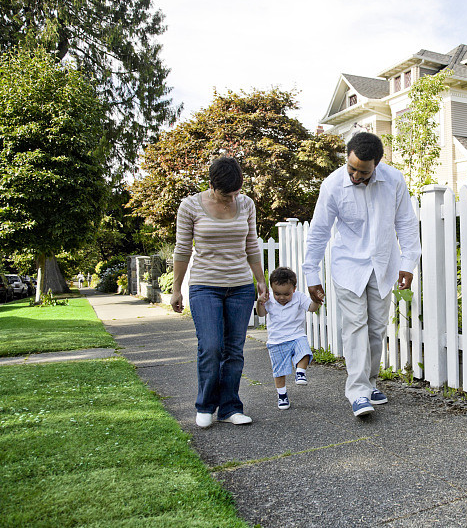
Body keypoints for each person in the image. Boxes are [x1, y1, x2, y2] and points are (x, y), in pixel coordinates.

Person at [302, 132, 421, 417]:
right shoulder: (333, 185)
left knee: (376, 328)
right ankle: (357, 393)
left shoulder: (394, 180)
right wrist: (311, 275)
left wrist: (408, 263)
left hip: (383, 265)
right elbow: (318, 232)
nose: (355, 176)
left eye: (363, 172)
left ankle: (369, 382)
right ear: (347, 158)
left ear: (376, 165)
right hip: (348, 267)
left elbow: (406, 222)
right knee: (355, 325)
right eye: (351, 168)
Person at [170, 156, 268, 428]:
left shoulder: (246, 204)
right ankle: (205, 405)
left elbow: (251, 244)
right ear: (212, 185)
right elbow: (182, 250)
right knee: (211, 346)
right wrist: (176, 289)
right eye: (227, 194)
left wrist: (260, 281)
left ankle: (230, 407)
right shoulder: (190, 206)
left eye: (236, 192)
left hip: (240, 287)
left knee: (234, 350)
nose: (232, 199)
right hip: (205, 286)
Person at [257, 266, 321, 410]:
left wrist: (316, 300)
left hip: (296, 335)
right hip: (276, 340)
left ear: (294, 289)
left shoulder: (299, 297)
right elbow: (261, 314)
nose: (281, 298)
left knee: (304, 352)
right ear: (272, 290)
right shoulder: (269, 299)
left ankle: (300, 373)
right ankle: (282, 395)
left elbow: (311, 308)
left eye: (286, 294)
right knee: (279, 371)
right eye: (277, 294)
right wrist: (259, 302)